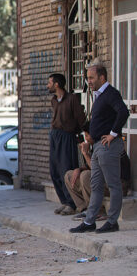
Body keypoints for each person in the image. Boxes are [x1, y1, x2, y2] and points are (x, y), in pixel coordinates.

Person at [70, 64, 129, 234]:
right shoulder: (99, 96)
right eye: (87, 78)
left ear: (102, 78)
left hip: (108, 145)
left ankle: (112, 222)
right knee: (95, 185)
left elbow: (123, 112)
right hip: (97, 146)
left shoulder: (110, 93)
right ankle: (90, 222)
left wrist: (112, 134)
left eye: (91, 78)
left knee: (113, 184)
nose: (88, 81)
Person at [47, 73, 86, 216]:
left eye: (50, 83)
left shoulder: (72, 99)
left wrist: (85, 134)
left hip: (67, 137)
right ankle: (64, 201)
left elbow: (80, 119)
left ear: (57, 84)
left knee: (66, 169)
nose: (48, 85)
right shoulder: (54, 100)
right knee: (54, 170)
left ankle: (71, 203)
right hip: (55, 136)